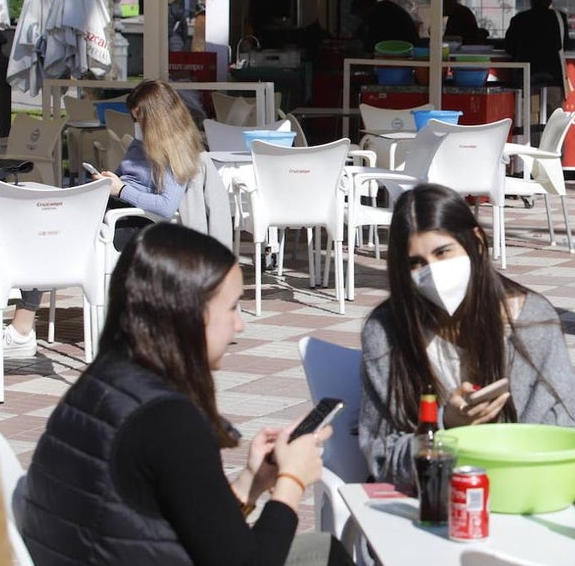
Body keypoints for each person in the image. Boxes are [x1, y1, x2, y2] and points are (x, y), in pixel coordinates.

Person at [21, 223, 353, 566]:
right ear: (190, 315)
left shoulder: (99, 383)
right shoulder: (170, 422)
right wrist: (291, 481)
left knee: (323, 553)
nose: (239, 325)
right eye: (233, 308)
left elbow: (191, 529)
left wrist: (250, 483)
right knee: (328, 556)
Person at [359, 183, 575, 487]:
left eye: (443, 252)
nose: (433, 272)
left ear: (475, 241)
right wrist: (445, 425)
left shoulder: (531, 320)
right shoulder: (386, 330)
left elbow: (561, 433)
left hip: (516, 489)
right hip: (425, 499)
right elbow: (381, 454)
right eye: (417, 263)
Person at [0, 79, 204, 360]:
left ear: (155, 117)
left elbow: (165, 205)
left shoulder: (176, 150)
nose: (135, 123)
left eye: (139, 117)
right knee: (39, 226)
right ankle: (20, 327)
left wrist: (120, 188)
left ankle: (21, 330)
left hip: (132, 224)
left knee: (44, 232)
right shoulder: (142, 143)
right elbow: (131, 179)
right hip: (108, 208)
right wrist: (110, 179)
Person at [503, 0, 571, 120]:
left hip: (527, 78)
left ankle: (531, 142)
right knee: (554, 121)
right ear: (550, 0)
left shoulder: (519, 19)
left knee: (528, 120)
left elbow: (509, 47)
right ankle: (554, 142)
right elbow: (565, 45)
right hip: (553, 77)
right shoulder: (559, 18)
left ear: (531, 0)